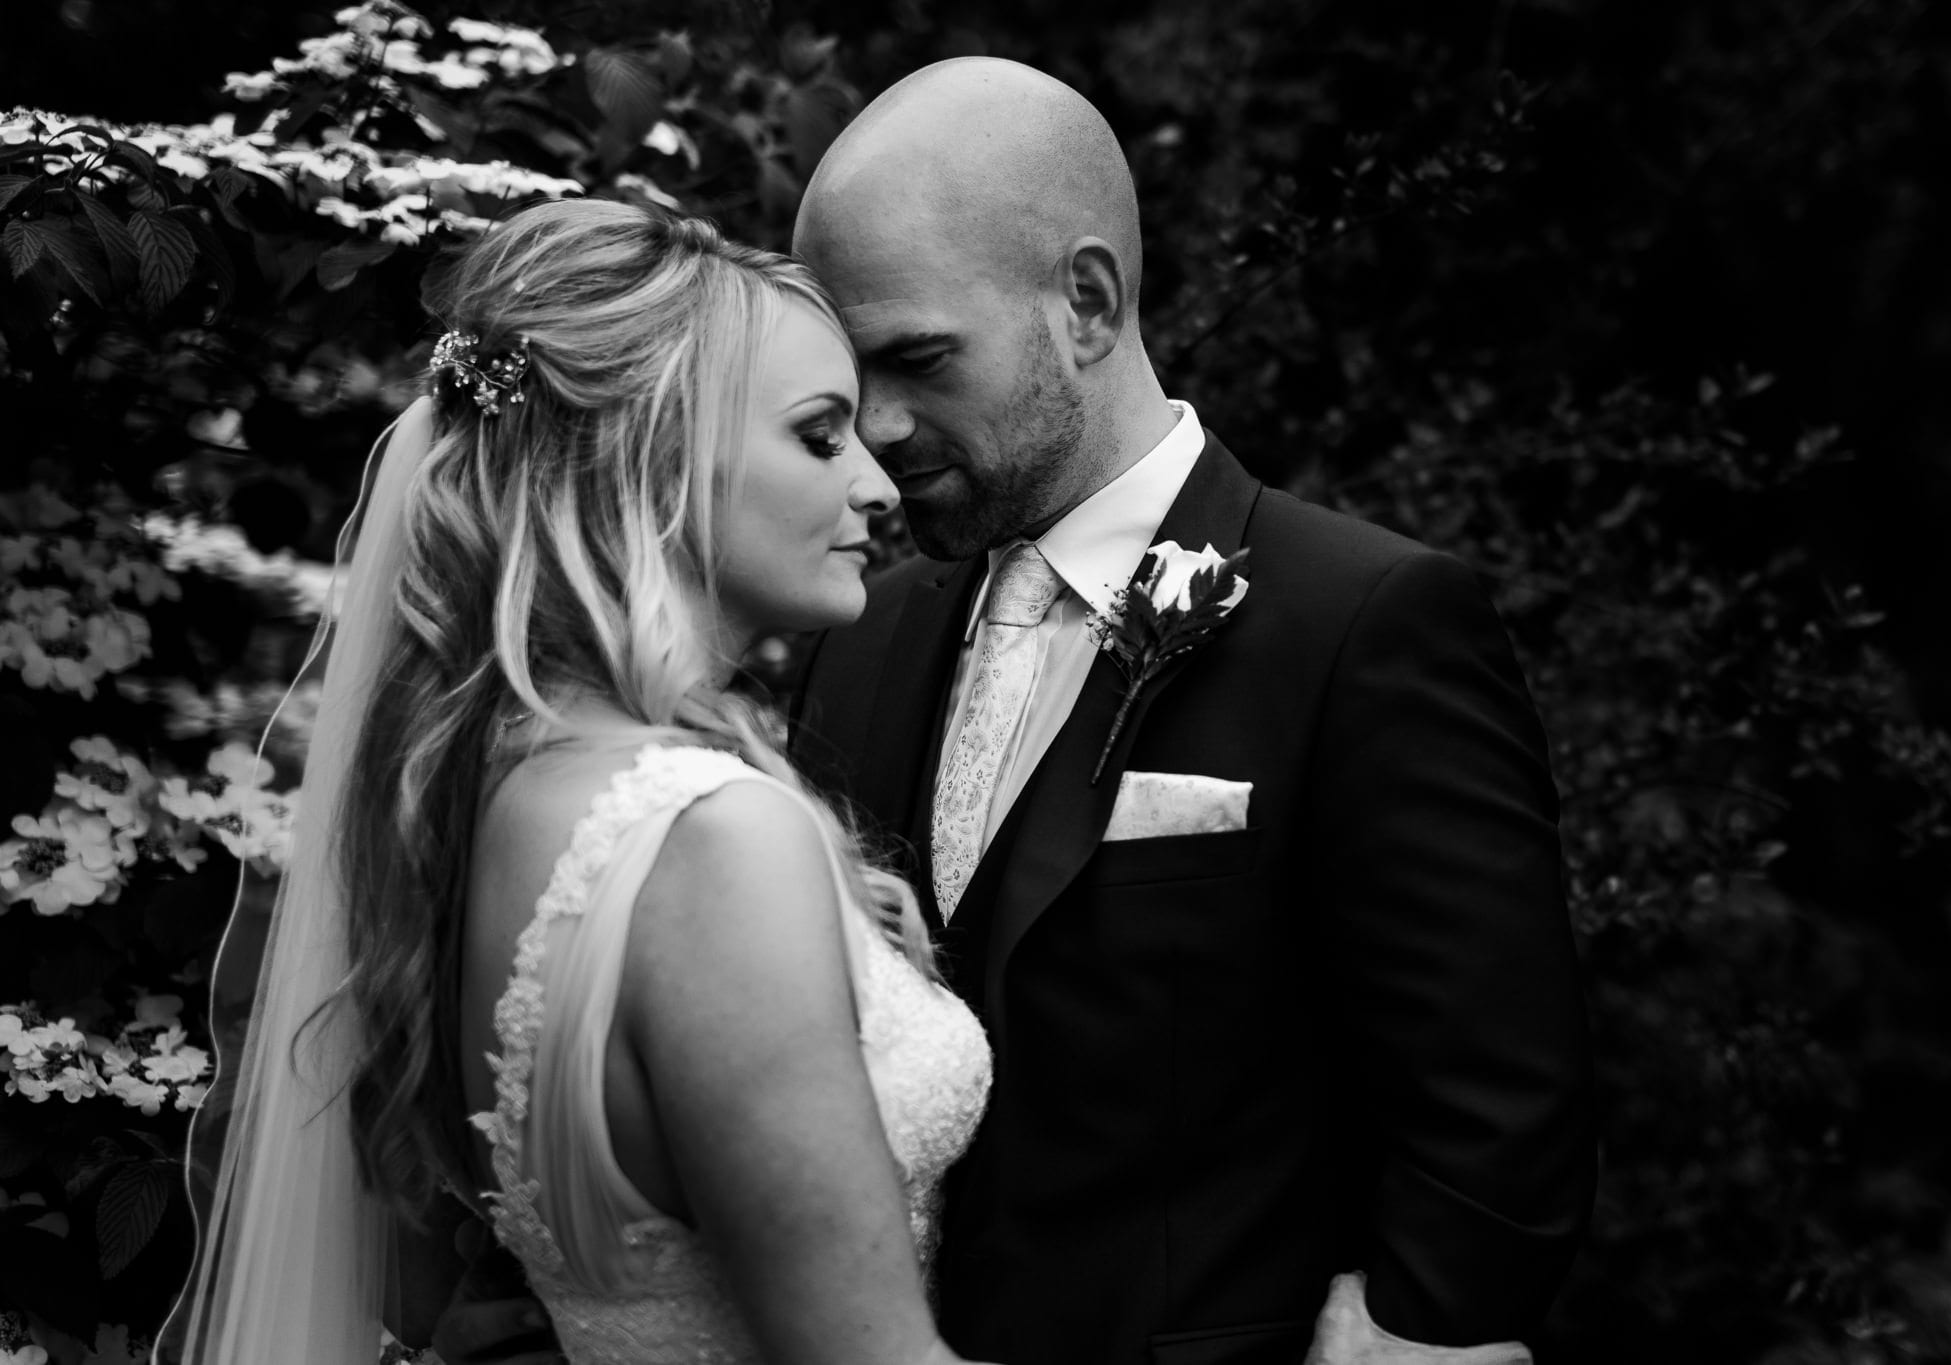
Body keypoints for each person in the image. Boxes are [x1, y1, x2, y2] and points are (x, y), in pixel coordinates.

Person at [434, 57, 1597, 1365]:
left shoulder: (1360, 621)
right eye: (844, 383)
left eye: (919, 358)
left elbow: (1498, 1103)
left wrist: (1415, 1333)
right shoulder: (858, 637)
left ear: (1086, 303)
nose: (878, 426)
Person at [172, 198, 995, 1365]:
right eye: (818, 435)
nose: (875, 485)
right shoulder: (712, 840)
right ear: (647, 453)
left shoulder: (490, 796)